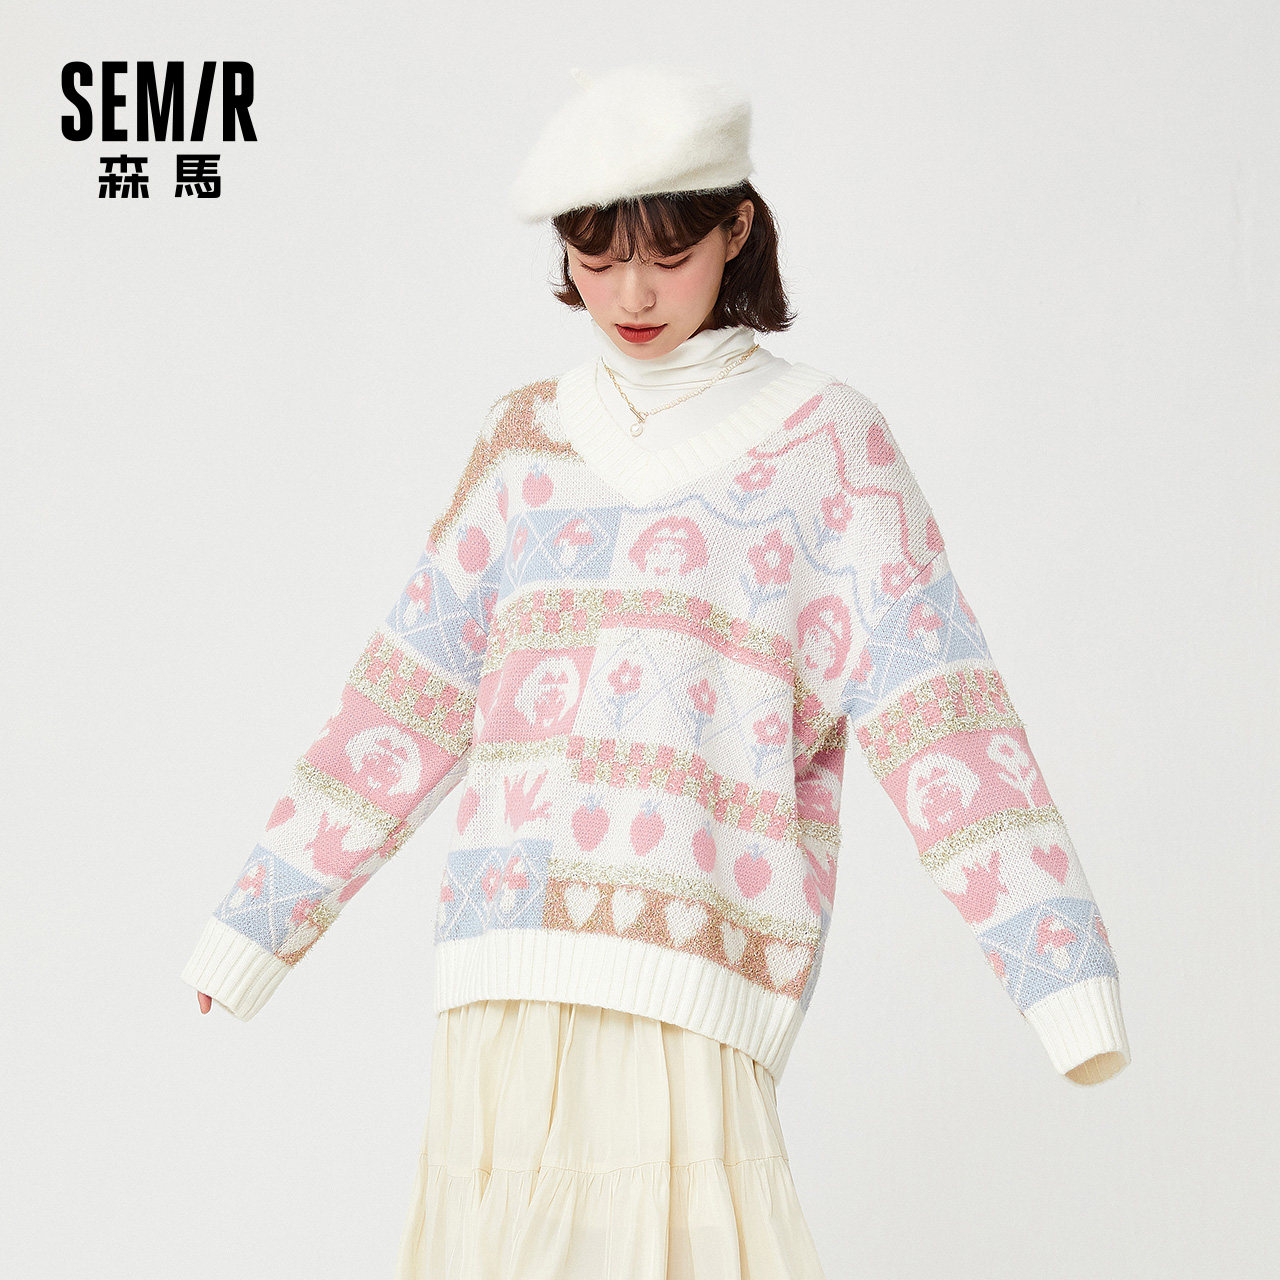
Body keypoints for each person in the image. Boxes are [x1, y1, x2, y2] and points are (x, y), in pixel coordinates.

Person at [182, 62, 1131, 1279]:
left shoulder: (826, 444)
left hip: (695, 978)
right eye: (595, 254)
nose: (628, 292)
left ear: (736, 228)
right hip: (498, 976)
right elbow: (404, 697)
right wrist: (256, 922)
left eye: (668, 253)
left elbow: (940, 711)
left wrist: (1062, 981)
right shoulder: (522, 442)